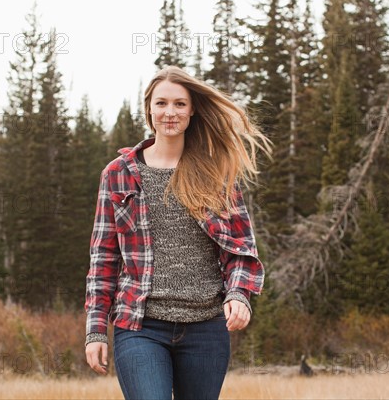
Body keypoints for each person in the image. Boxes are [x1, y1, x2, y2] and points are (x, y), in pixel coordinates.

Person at [84, 65, 273, 400]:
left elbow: (240, 250)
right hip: (140, 325)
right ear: (149, 110)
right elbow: (104, 259)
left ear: (192, 110)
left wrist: (239, 295)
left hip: (205, 329)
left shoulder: (215, 174)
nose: (169, 112)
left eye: (179, 104)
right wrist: (96, 329)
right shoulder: (118, 174)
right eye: (161, 104)